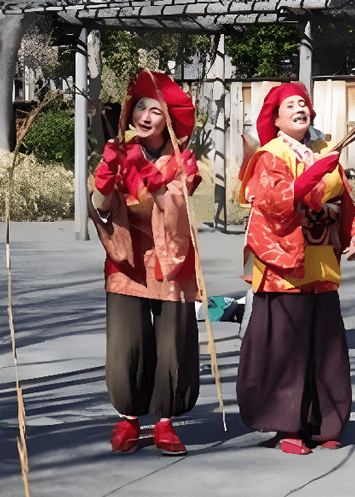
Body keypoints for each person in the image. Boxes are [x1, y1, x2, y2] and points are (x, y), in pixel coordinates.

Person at [236, 82, 355, 455]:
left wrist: (353, 234)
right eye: (290, 105)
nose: (300, 108)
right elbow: (272, 201)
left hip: (321, 260)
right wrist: (309, 178)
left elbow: (344, 198)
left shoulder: (325, 150)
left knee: (326, 346)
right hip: (283, 265)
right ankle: (286, 426)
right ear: (275, 117)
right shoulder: (270, 153)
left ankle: (326, 422)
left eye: (304, 103)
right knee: (286, 346)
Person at [89, 69, 201, 456]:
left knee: (174, 343)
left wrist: (152, 181)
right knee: (127, 342)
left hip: (172, 258)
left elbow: (177, 212)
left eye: (156, 109)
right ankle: (129, 419)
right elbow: (102, 210)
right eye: (140, 107)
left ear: (168, 118)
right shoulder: (118, 153)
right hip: (127, 259)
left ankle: (165, 421)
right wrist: (105, 181)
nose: (146, 115)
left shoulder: (184, 160)